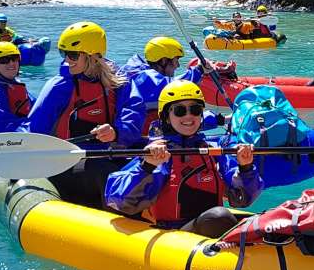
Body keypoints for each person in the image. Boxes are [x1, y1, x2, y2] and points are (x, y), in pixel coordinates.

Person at [104, 81, 262, 237]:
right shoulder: (159, 153)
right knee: (219, 216)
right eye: (180, 111)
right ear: (166, 117)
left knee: (262, 219)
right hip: (174, 234)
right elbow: (119, 202)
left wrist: (245, 168)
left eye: (195, 110)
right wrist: (147, 166)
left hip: (211, 225)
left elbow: (242, 200)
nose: (188, 116)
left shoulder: (213, 150)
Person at [29, 21, 144, 207]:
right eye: (63, 53)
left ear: (92, 56)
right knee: (102, 170)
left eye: (73, 55)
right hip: (67, 163)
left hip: (110, 155)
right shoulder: (59, 87)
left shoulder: (119, 81)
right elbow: (35, 132)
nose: (67, 60)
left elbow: (133, 113)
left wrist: (116, 131)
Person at [120, 36, 228, 135]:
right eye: (176, 60)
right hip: (141, 141)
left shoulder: (135, 73)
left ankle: (222, 119)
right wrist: (199, 70)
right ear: (163, 60)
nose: (178, 65)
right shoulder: (142, 79)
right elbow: (173, 87)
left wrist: (221, 120)